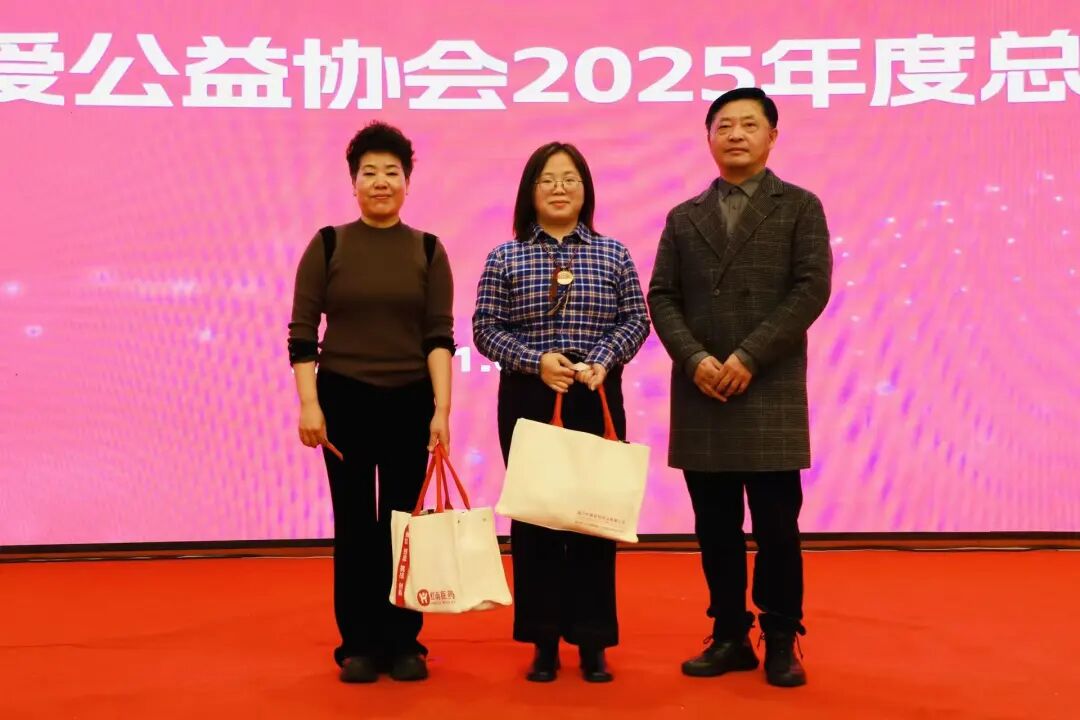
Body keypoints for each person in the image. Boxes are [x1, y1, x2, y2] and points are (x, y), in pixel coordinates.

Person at [647, 87, 832, 688]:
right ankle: (728, 633)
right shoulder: (684, 216)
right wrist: (695, 358)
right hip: (703, 391)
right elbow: (662, 296)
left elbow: (811, 289)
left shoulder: (799, 206)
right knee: (715, 527)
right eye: (723, 125)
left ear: (772, 136)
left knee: (777, 528)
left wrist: (750, 355)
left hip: (768, 387)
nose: (735, 135)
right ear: (708, 138)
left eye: (749, 125)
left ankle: (780, 637)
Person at [473, 142, 650, 683]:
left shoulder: (613, 253)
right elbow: (485, 328)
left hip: (594, 392)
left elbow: (636, 319)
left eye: (570, 179)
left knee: (595, 518)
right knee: (537, 518)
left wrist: (602, 359)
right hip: (530, 395)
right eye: (547, 179)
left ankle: (593, 640)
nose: (559, 188)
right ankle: (544, 640)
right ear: (530, 191)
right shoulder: (504, 257)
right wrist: (536, 362)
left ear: (585, 190)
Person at [288, 121, 455, 683]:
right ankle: (358, 644)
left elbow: (438, 337)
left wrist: (441, 410)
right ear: (353, 183)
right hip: (344, 400)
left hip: (411, 401)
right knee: (356, 524)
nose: (381, 182)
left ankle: (404, 642)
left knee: (404, 525)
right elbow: (303, 334)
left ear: (407, 182)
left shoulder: (428, 249)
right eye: (369, 173)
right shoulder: (328, 244)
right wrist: (309, 404)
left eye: (392, 172)